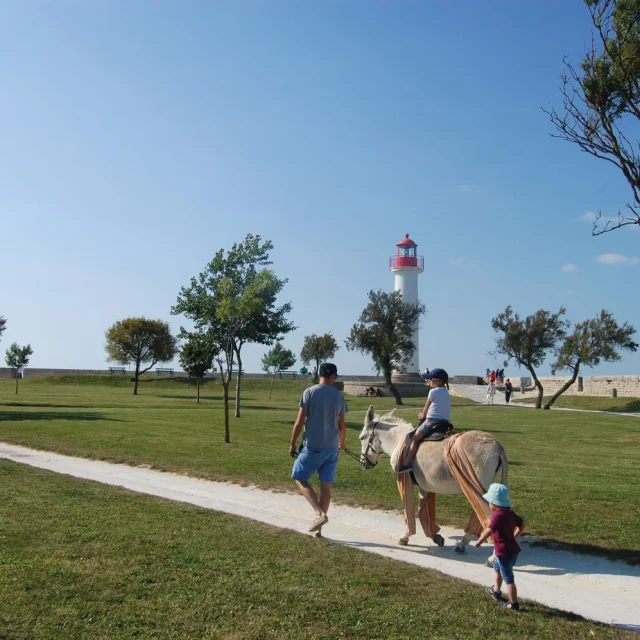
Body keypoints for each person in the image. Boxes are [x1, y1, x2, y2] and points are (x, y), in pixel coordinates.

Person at [289, 362, 347, 536]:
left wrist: (292, 443)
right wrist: (341, 443)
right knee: (326, 487)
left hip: (313, 446)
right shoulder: (339, 396)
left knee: (299, 477)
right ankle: (319, 529)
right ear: (332, 376)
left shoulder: (310, 392)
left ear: (319, 374)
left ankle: (319, 513)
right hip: (332, 447)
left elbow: (299, 422)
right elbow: (342, 425)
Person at [475, 483, 525, 612]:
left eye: (490, 501)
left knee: (508, 578)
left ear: (495, 503)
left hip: (504, 552)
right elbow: (522, 524)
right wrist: (514, 535)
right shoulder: (510, 513)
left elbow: (489, 530)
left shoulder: (497, 515)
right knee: (497, 568)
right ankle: (496, 592)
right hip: (512, 550)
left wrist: (480, 540)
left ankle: (513, 603)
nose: (489, 504)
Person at [397, 368, 451, 474]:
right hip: (445, 421)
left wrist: (422, 415)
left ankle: (407, 464)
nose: (429, 381)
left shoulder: (433, 391)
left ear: (439, 381)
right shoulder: (446, 392)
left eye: (431, 379)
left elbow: (426, 408)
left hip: (431, 421)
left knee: (414, 439)